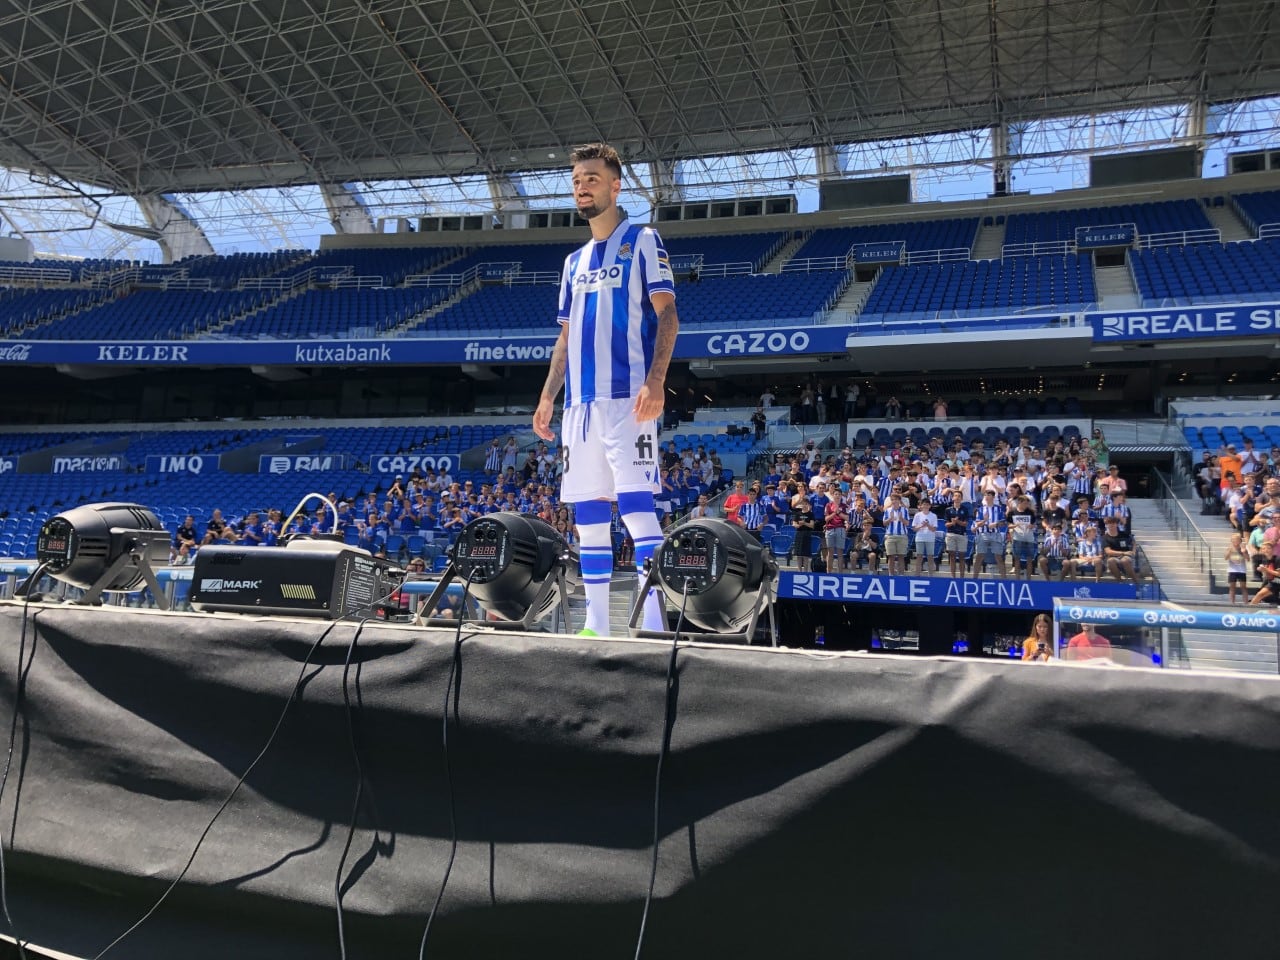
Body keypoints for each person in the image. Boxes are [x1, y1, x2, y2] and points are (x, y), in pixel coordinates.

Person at [532, 142, 679, 637]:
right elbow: (565, 337)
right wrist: (548, 396)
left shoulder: (643, 240)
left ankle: (653, 623)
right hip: (579, 406)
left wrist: (656, 381)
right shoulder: (572, 262)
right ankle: (595, 625)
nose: (582, 187)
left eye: (591, 179)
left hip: (628, 400)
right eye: (576, 181)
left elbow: (668, 315)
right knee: (589, 516)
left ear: (615, 187)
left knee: (637, 508)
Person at [1226, 533, 1249, 605]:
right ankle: (1232, 603)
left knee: (1243, 587)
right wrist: (1229, 552)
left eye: (1237, 540)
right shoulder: (1229, 548)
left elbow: (1248, 559)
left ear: (1240, 541)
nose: (1235, 541)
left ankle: (1246, 603)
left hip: (1241, 570)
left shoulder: (1243, 549)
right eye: (1233, 540)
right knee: (1232, 586)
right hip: (1232, 570)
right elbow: (1226, 558)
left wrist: (1244, 552)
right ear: (1231, 541)